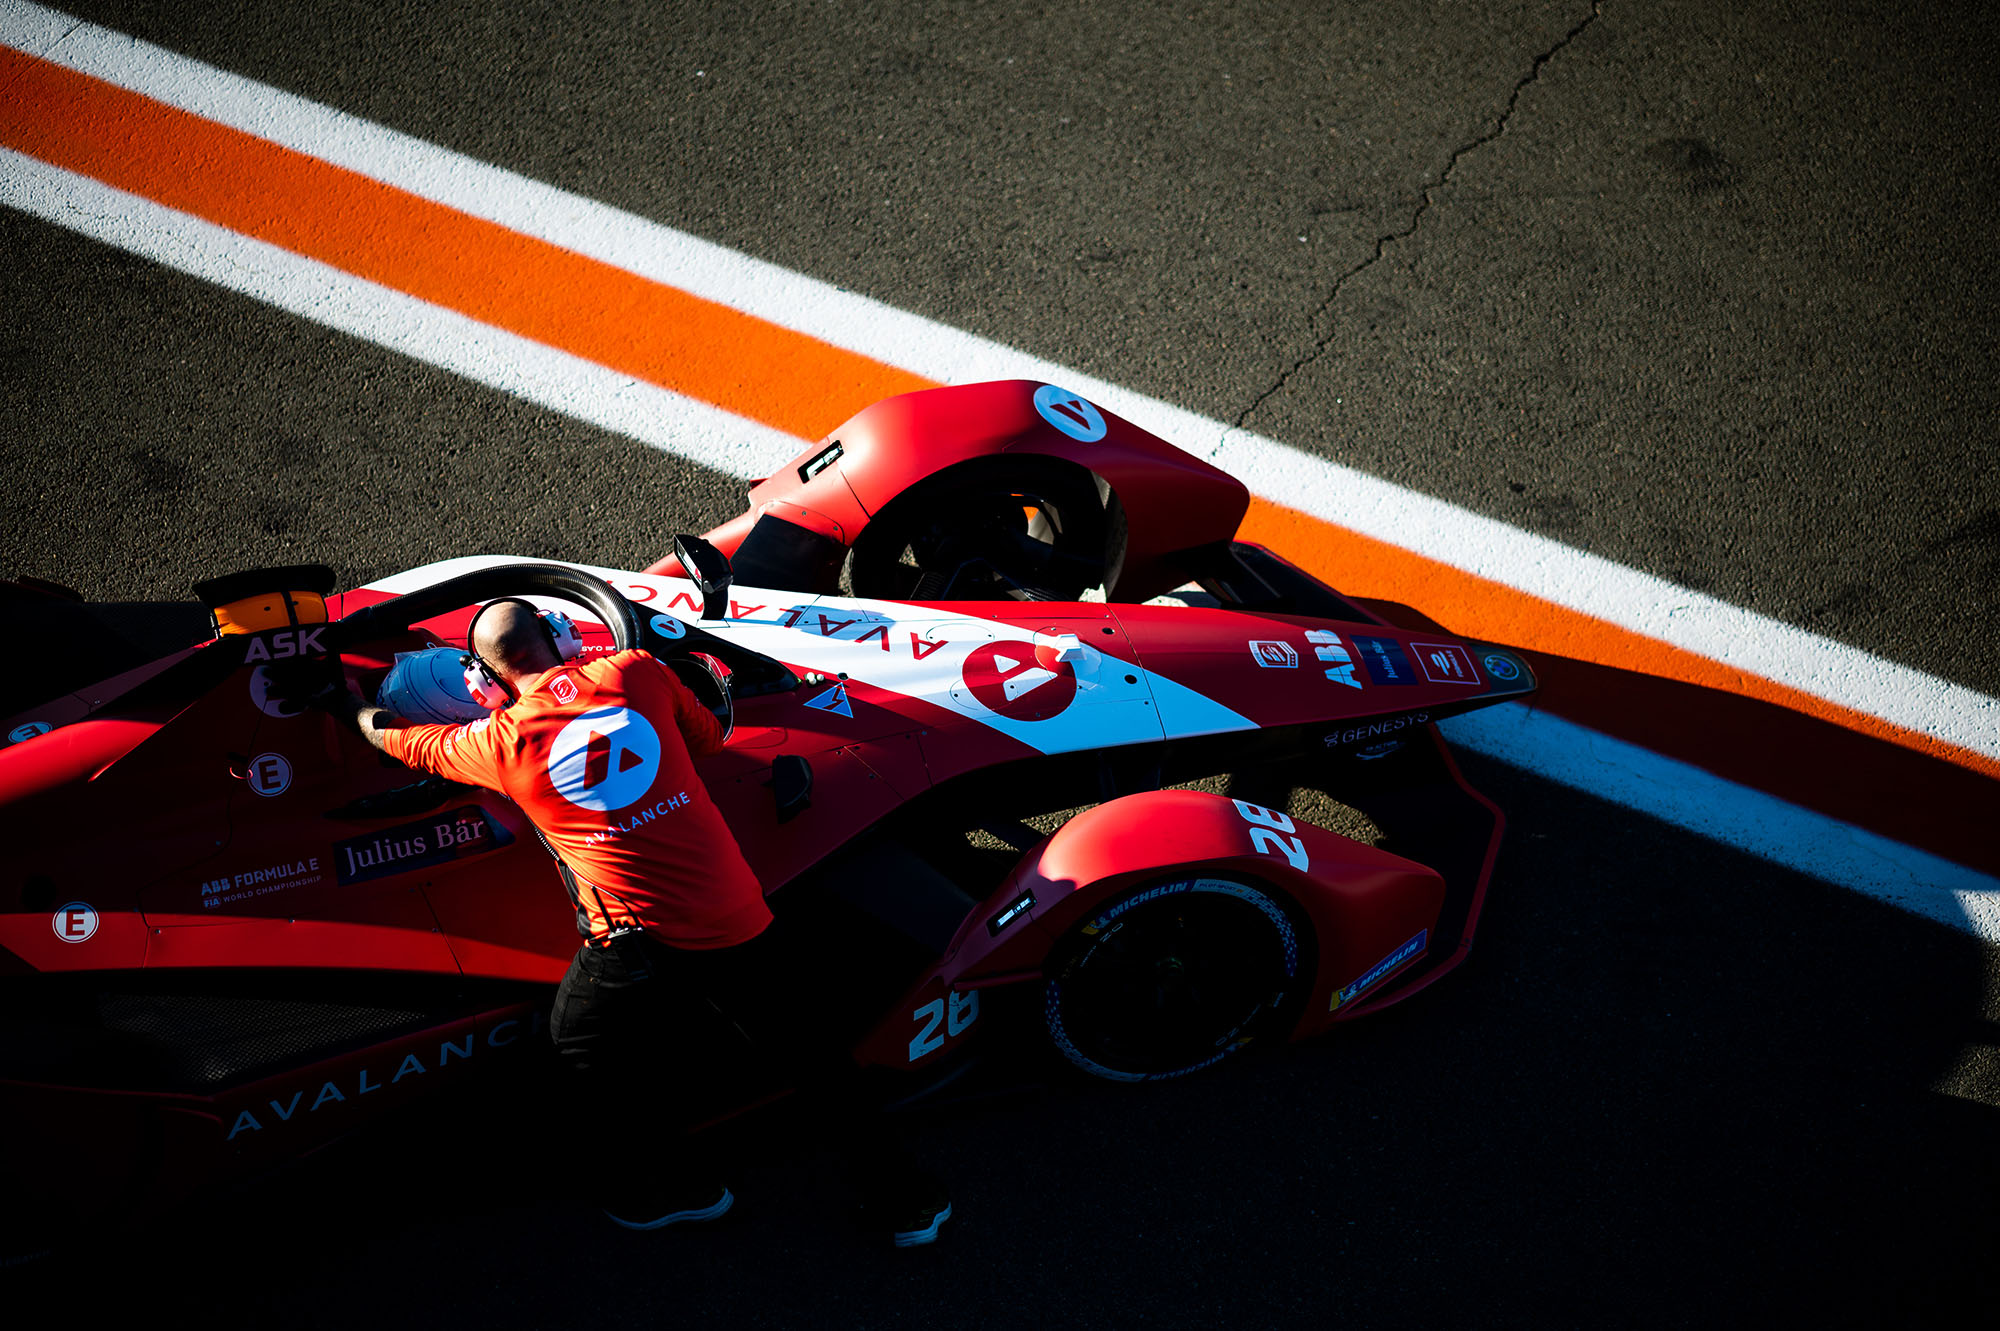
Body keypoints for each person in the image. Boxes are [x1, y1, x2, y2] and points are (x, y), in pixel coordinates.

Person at [315, 598, 951, 1246]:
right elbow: (708, 737)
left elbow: (388, 733)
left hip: (639, 936)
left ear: (487, 678)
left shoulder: (497, 745)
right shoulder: (636, 672)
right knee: (815, 1061)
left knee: (579, 1045)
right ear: (558, 636)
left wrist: (340, 698)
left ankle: (677, 1188)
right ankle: (909, 1201)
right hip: (735, 909)